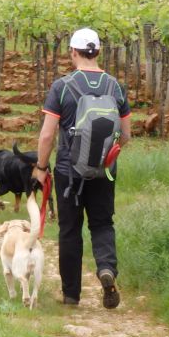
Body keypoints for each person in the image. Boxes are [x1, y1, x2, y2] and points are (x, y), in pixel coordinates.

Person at [30, 28, 132, 309]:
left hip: (68, 172)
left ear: (72, 52)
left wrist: (41, 167)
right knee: (102, 223)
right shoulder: (115, 87)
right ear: (98, 52)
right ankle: (106, 269)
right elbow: (126, 134)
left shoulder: (62, 87)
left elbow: (48, 135)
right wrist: (106, 157)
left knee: (69, 229)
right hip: (104, 170)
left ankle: (71, 294)